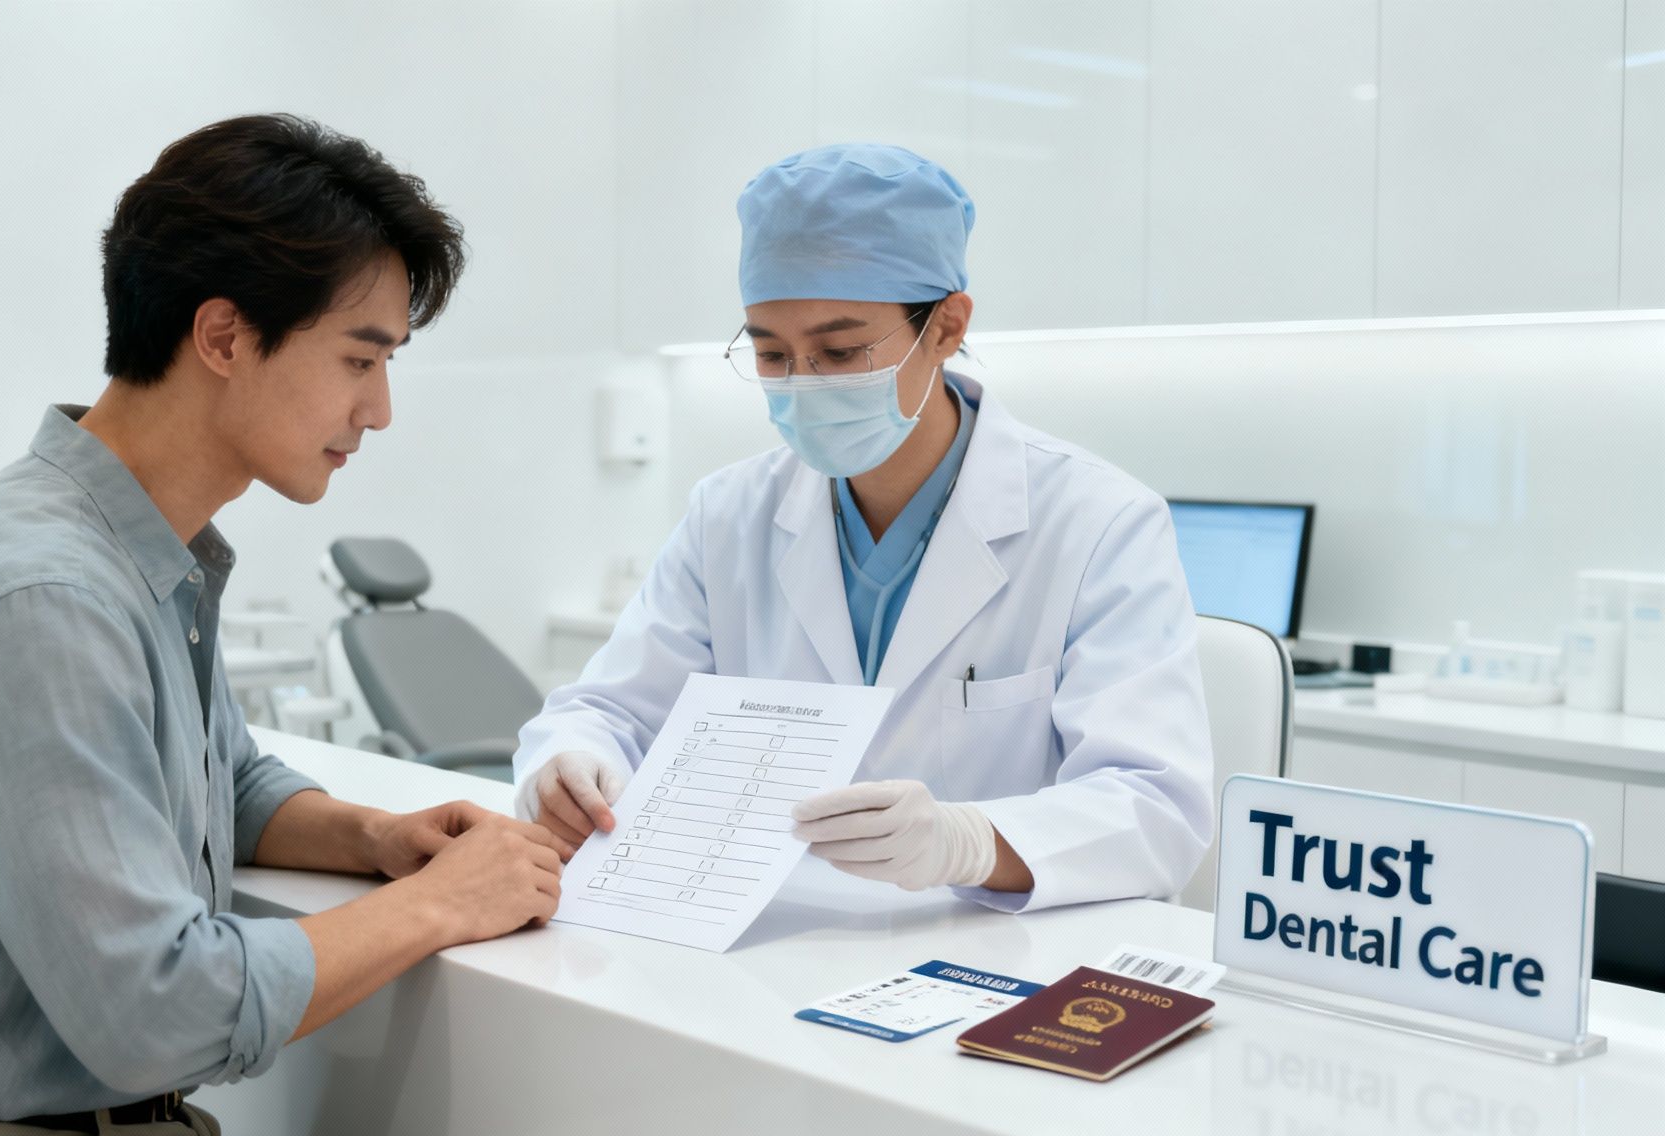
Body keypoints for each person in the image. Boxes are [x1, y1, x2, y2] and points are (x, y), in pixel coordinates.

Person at [0, 115, 568, 1136]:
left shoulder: (132, 548)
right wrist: (438, 906)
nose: (377, 411)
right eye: (358, 358)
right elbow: (156, 1013)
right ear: (222, 337)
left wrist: (378, 838)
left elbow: (224, 785)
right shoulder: (43, 598)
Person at [515, 143, 1211, 912]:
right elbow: (608, 709)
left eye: (841, 351)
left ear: (946, 326)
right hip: (765, 934)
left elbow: (1156, 808)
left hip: (991, 950)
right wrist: (572, 762)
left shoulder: (1098, 522)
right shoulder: (729, 515)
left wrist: (970, 841)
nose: (802, 384)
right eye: (772, 353)